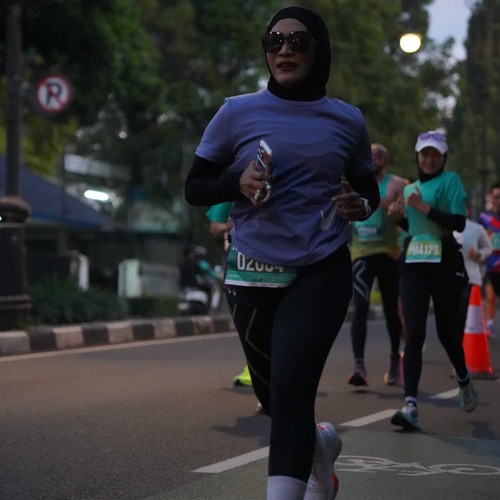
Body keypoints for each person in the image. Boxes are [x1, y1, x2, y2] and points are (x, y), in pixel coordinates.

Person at [184, 6, 380, 499]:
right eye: (275, 41)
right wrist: (236, 180)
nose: (285, 50)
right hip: (252, 269)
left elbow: (367, 190)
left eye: (298, 41)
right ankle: (319, 445)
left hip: (321, 267)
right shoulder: (235, 112)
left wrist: (360, 205)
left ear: (319, 50)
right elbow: (195, 187)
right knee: (274, 399)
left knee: (292, 391)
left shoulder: (347, 120)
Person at [387, 131, 478, 431]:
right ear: (417, 156)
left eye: (435, 155)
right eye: (424, 154)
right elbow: (416, 227)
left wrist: (423, 207)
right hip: (414, 263)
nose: (429, 159)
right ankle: (410, 405)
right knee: (414, 333)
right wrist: (398, 217)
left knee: (447, 334)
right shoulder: (410, 188)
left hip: (445, 263)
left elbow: (458, 222)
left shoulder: (450, 181)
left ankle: (464, 378)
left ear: (443, 158)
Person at [348, 143, 406, 387]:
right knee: (360, 306)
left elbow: (406, 218)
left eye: (378, 156)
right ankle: (359, 366)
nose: (374, 159)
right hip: (361, 253)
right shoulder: (353, 183)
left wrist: (397, 212)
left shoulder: (397, 184)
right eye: (370, 155)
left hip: (388, 253)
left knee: (391, 309)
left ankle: (394, 357)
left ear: (386, 159)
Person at [207, 202, 253, 386]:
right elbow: (214, 227)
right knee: (248, 319)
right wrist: (232, 223)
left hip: (282, 259)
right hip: (239, 262)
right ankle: (254, 366)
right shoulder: (232, 189)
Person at [454, 201, 492, 341]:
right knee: (450, 315)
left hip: (469, 278)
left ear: (468, 210)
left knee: (462, 314)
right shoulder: (445, 228)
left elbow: (488, 248)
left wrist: (478, 254)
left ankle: (463, 343)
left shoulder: (476, 229)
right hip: (448, 279)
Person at [479, 182, 500, 338]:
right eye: (496, 197)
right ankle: (489, 324)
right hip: (489, 264)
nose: (499, 200)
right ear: (491, 198)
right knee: (490, 296)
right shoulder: (484, 218)